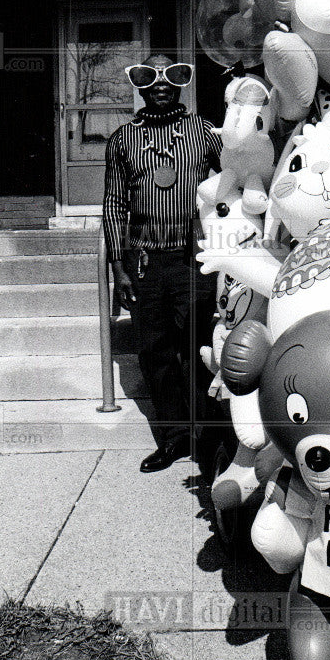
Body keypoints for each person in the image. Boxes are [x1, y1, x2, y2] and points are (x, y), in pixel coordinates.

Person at [103, 53, 222, 472]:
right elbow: (115, 204)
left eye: (172, 74)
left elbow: (235, 181)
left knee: (198, 348)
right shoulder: (122, 139)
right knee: (155, 353)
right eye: (148, 76)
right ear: (138, 84)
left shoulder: (205, 133)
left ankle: (208, 439)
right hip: (145, 262)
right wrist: (118, 266)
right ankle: (174, 438)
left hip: (194, 259)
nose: (160, 83)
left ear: (181, 82)